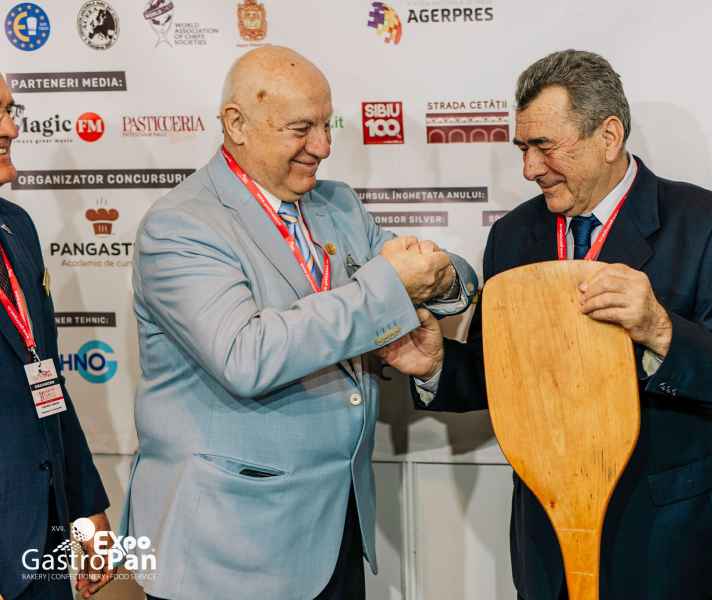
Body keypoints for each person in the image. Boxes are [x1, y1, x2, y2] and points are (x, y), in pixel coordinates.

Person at [380, 50, 712, 600]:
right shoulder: (513, 235)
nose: (529, 168)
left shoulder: (708, 222)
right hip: (549, 542)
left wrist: (660, 328)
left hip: (668, 541)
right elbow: (500, 375)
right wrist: (437, 364)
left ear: (608, 136)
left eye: (544, 146)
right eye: (522, 148)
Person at [120, 46, 477, 600]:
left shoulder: (338, 205)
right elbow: (247, 355)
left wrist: (443, 276)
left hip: (334, 530)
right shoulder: (182, 226)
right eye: (301, 129)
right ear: (236, 124)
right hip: (229, 548)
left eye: (327, 125)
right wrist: (391, 288)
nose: (323, 146)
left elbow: (446, 275)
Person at [0, 74, 114, 599]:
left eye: (9, 110)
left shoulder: (17, 227)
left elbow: (45, 379)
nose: (10, 129)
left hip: (40, 534)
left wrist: (86, 509)